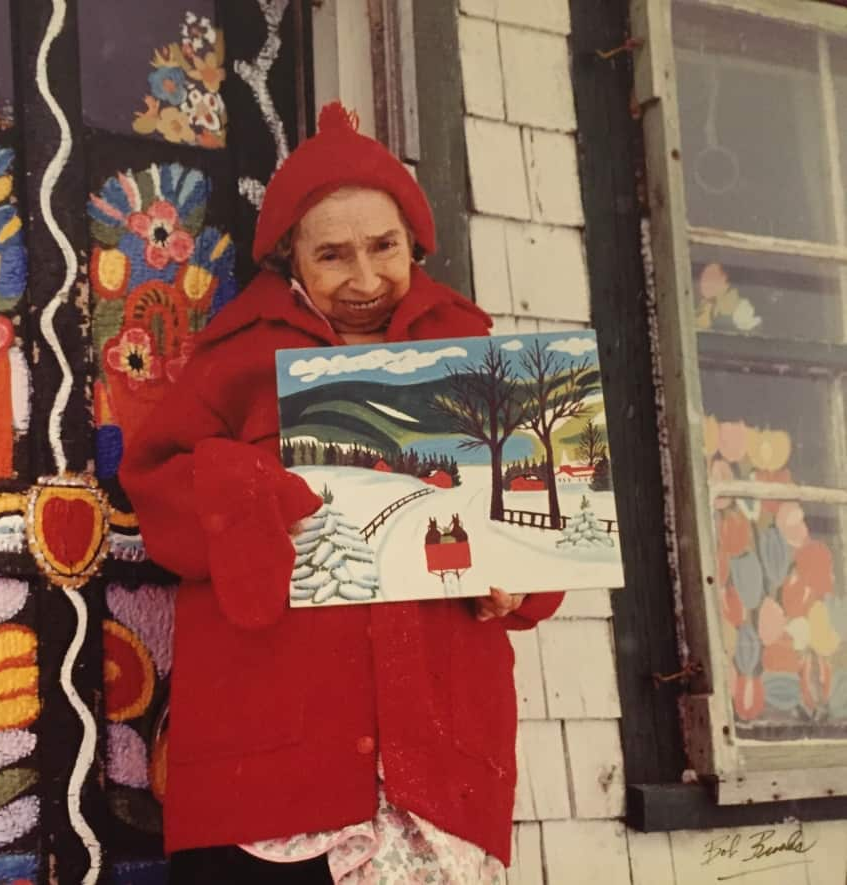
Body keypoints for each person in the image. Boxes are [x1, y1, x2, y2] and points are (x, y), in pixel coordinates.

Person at [119, 103, 565, 885]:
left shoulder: (474, 348)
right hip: (274, 766)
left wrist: (519, 582)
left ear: (414, 242)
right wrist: (245, 489)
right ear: (291, 257)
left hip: (434, 768)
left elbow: (544, 530)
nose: (364, 279)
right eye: (333, 255)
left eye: (383, 247)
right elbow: (156, 487)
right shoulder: (239, 355)